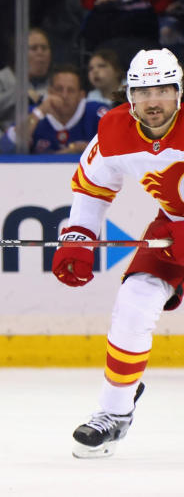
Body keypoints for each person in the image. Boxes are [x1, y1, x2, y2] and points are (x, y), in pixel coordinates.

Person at [52, 48, 184, 458]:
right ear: (129, 96)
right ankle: (114, 413)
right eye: (144, 91)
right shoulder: (113, 131)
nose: (154, 100)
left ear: (179, 93)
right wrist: (78, 236)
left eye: (163, 89)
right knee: (134, 300)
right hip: (173, 228)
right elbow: (93, 190)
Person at [2, 64, 110, 154]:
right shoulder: (33, 114)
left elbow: (122, 143)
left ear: (81, 95)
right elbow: (5, 147)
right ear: (50, 92)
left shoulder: (97, 113)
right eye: (59, 89)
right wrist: (39, 113)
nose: (64, 95)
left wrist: (87, 149)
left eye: (71, 90)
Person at [0, 28, 53, 132]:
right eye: (34, 48)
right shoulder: (2, 78)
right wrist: (19, 92)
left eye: (44, 48)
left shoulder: (56, 82)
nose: (40, 53)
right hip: (11, 140)